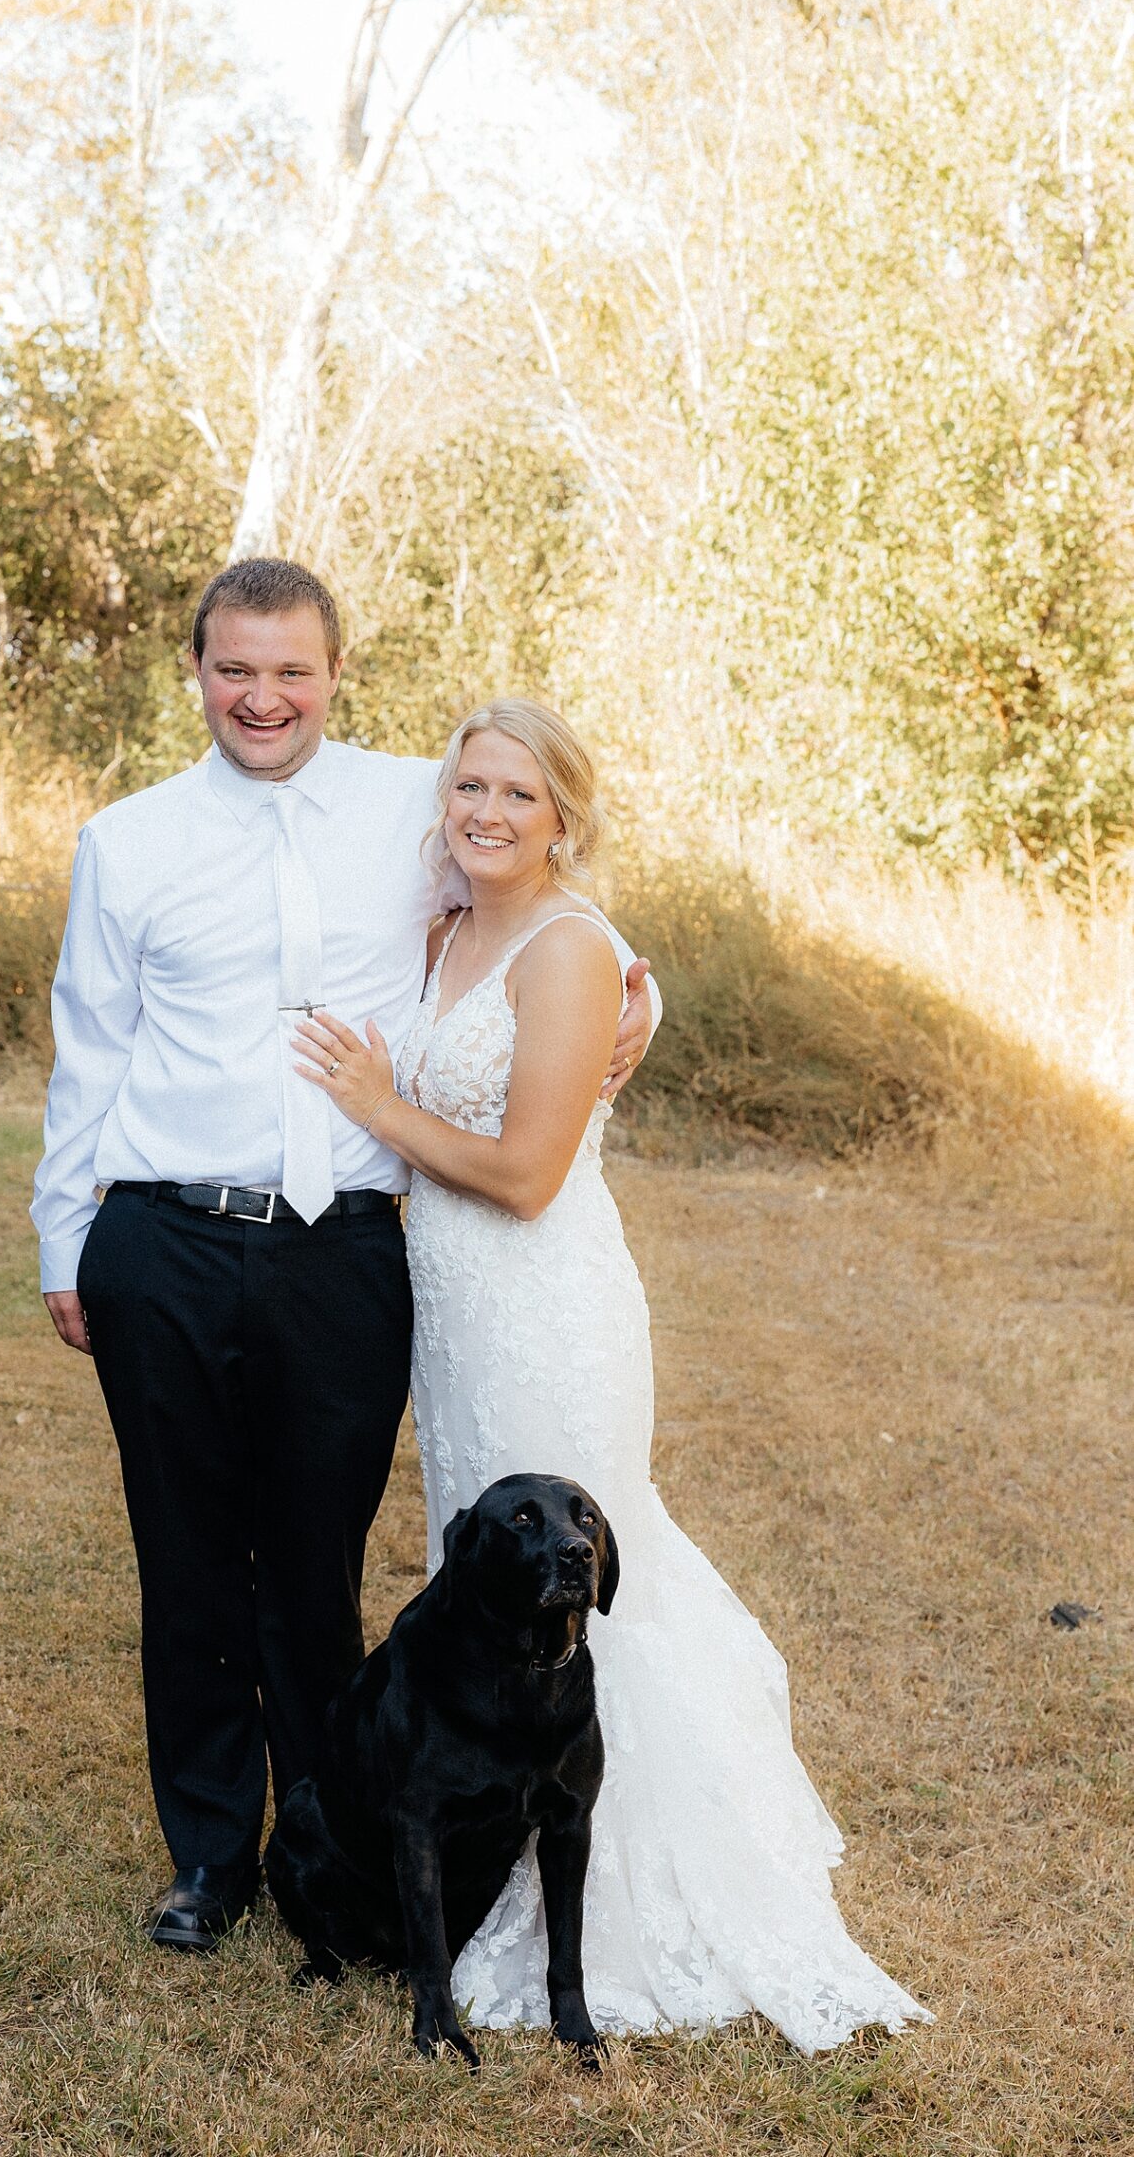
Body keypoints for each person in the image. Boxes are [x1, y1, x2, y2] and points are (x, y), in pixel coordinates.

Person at [31, 564, 658, 1953]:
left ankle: (326, 1835)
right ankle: (207, 1858)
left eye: (293, 671)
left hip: (345, 1257)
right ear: (193, 670)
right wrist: (61, 1243)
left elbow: (536, 896)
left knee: (314, 1570)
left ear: (334, 675)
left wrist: (639, 992)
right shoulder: (125, 842)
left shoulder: (407, 807)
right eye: (236, 669)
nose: (265, 697)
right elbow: (90, 1052)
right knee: (187, 1562)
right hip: (163, 1239)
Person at [292, 697, 929, 2050]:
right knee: (487, 1576)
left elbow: (525, 1175)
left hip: (547, 1302)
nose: (487, 813)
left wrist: (381, 1110)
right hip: (454, 1311)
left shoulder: (576, 949)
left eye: (520, 795)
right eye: (471, 787)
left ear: (565, 817)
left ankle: (634, 1904)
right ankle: (493, 1855)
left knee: (590, 1579)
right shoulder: (449, 921)